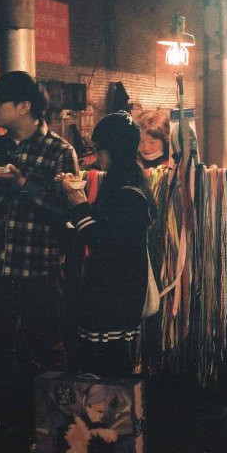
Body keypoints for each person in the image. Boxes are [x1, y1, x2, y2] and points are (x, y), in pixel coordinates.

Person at [0, 71, 79, 446]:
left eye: (0, 102)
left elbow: (67, 214)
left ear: (24, 107)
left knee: (45, 347)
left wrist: (22, 184)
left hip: (40, 266)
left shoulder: (59, 151)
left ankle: (52, 428)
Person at [57, 111, 156, 377]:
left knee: (106, 371)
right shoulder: (124, 183)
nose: (96, 155)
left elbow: (103, 242)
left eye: (99, 149)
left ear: (116, 150)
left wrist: (79, 205)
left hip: (115, 294)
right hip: (115, 292)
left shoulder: (129, 193)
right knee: (107, 368)